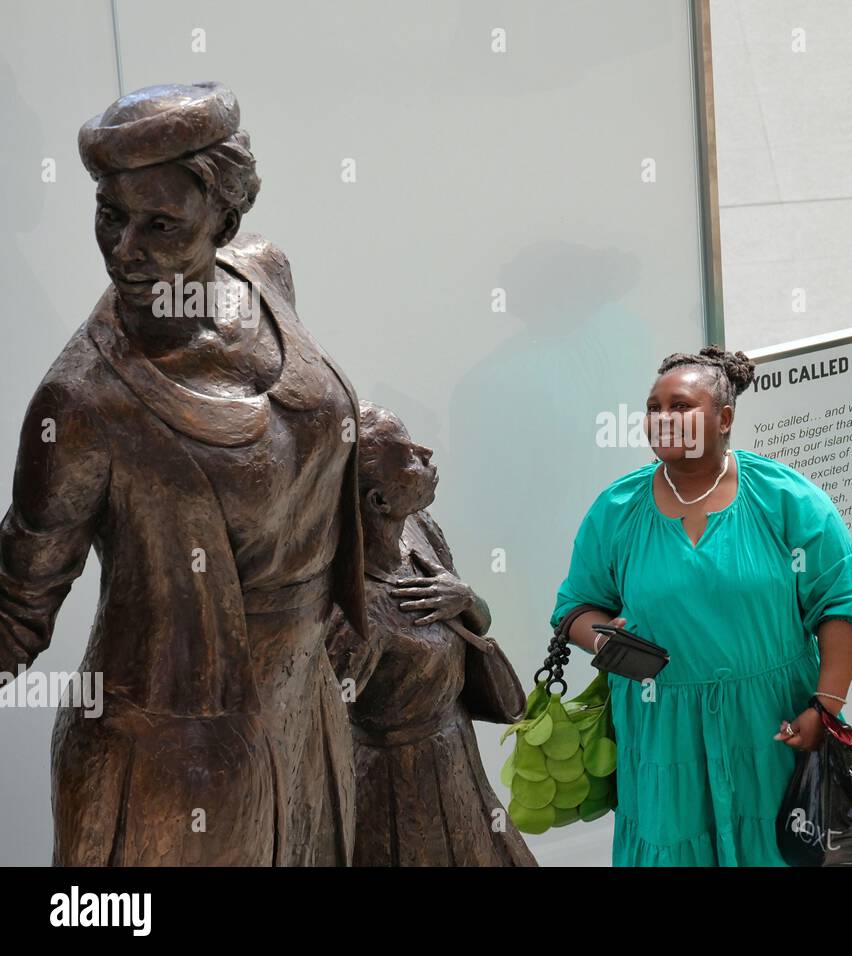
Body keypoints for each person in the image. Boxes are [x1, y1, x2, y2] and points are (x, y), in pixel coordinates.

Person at [0, 83, 366, 865]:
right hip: (171, 756)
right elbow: (15, 602)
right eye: (110, 216)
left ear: (225, 221)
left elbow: (327, 466)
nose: (125, 249)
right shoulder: (83, 402)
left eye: (160, 223)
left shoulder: (265, 276)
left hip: (307, 713)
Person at [550, 345, 852, 866]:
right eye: (654, 407)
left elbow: (842, 604)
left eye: (680, 406)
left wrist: (826, 708)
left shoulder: (784, 498)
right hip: (661, 728)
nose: (663, 419)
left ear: (725, 417)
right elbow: (574, 607)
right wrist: (605, 637)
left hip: (770, 724)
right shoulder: (617, 510)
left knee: (779, 846)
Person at [327, 402, 537, 866]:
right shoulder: (354, 610)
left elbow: (474, 622)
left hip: (458, 760)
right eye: (406, 456)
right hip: (395, 789)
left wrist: (468, 601)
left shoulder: (417, 531)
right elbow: (320, 728)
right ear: (377, 501)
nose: (426, 453)